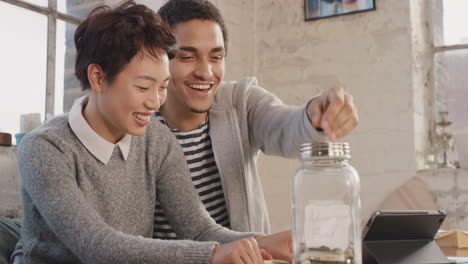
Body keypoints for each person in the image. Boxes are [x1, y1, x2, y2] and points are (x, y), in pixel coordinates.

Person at [10, 1, 290, 263]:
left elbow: (198, 228)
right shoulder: (44, 148)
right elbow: (97, 246)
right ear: (97, 77)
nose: (155, 102)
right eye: (143, 87)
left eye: (163, 86)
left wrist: (266, 243)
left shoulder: (156, 138)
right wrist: (212, 256)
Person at [153, 0, 359, 239]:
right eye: (187, 57)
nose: (206, 72)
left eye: (216, 57)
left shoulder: (241, 101)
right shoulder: (140, 122)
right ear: (160, 58)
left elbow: (286, 127)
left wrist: (315, 115)